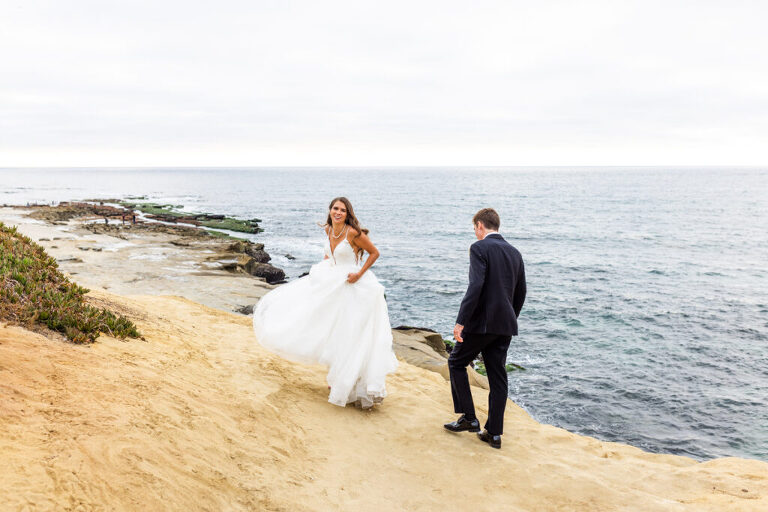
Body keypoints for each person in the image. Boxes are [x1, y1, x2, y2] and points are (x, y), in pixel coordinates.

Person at [252, 197, 398, 408]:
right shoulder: (329, 229)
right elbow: (329, 254)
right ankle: (338, 376)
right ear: (330, 211)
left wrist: (359, 273)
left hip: (354, 286)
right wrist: (323, 271)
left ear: (348, 214)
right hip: (333, 284)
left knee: (353, 334)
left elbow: (375, 253)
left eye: (343, 210)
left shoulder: (353, 233)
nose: (338, 212)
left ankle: (354, 383)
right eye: (335, 209)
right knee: (334, 332)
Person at [443, 208, 526, 449]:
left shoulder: (479, 248)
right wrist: (510, 318)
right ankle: (494, 433)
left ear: (480, 225)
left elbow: (475, 286)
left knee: (456, 362)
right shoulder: (515, 252)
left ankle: (469, 418)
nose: (476, 233)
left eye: (475, 229)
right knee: (498, 376)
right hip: (505, 325)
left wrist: (461, 321)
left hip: (481, 325)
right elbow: (521, 292)